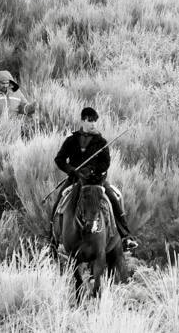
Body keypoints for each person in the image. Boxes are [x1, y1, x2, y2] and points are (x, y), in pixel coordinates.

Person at [54, 107, 138, 251]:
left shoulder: (101, 141)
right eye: (90, 121)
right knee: (58, 202)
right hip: (75, 180)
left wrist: (92, 170)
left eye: (94, 121)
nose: (93, 124)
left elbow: (105, 163)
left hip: (96, 180)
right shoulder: (71, 140)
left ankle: (126, 236)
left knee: (113, 198)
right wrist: (71, 170)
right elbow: (59, 159)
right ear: (82, 120)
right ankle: (52, 238)